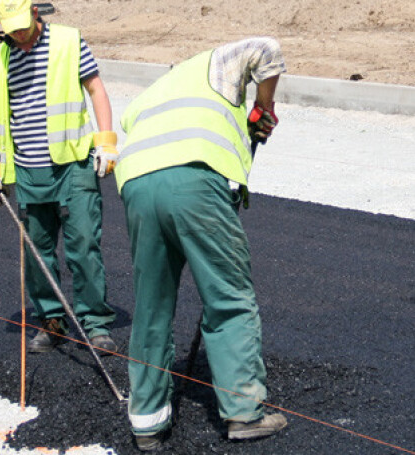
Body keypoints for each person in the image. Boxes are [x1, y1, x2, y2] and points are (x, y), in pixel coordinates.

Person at [114, 37, 288, 450]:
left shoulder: (152, 95)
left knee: (152, 304)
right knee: (228, 297)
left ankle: (147, 423)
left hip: (136, 184)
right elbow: (267, 49)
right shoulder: (214, 63)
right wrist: (264, 107)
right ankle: (245, 413)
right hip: (193, 179)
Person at [0, 0, 118, 354]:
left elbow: (96, 89)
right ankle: (51, 322)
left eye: (23, 25)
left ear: (35, 13)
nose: (19, 34)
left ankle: (95, 324)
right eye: (11, 29)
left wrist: (106, 141)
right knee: (37, 252)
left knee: (84, 246)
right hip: (27, 171)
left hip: (72, 165)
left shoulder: (69, 42)